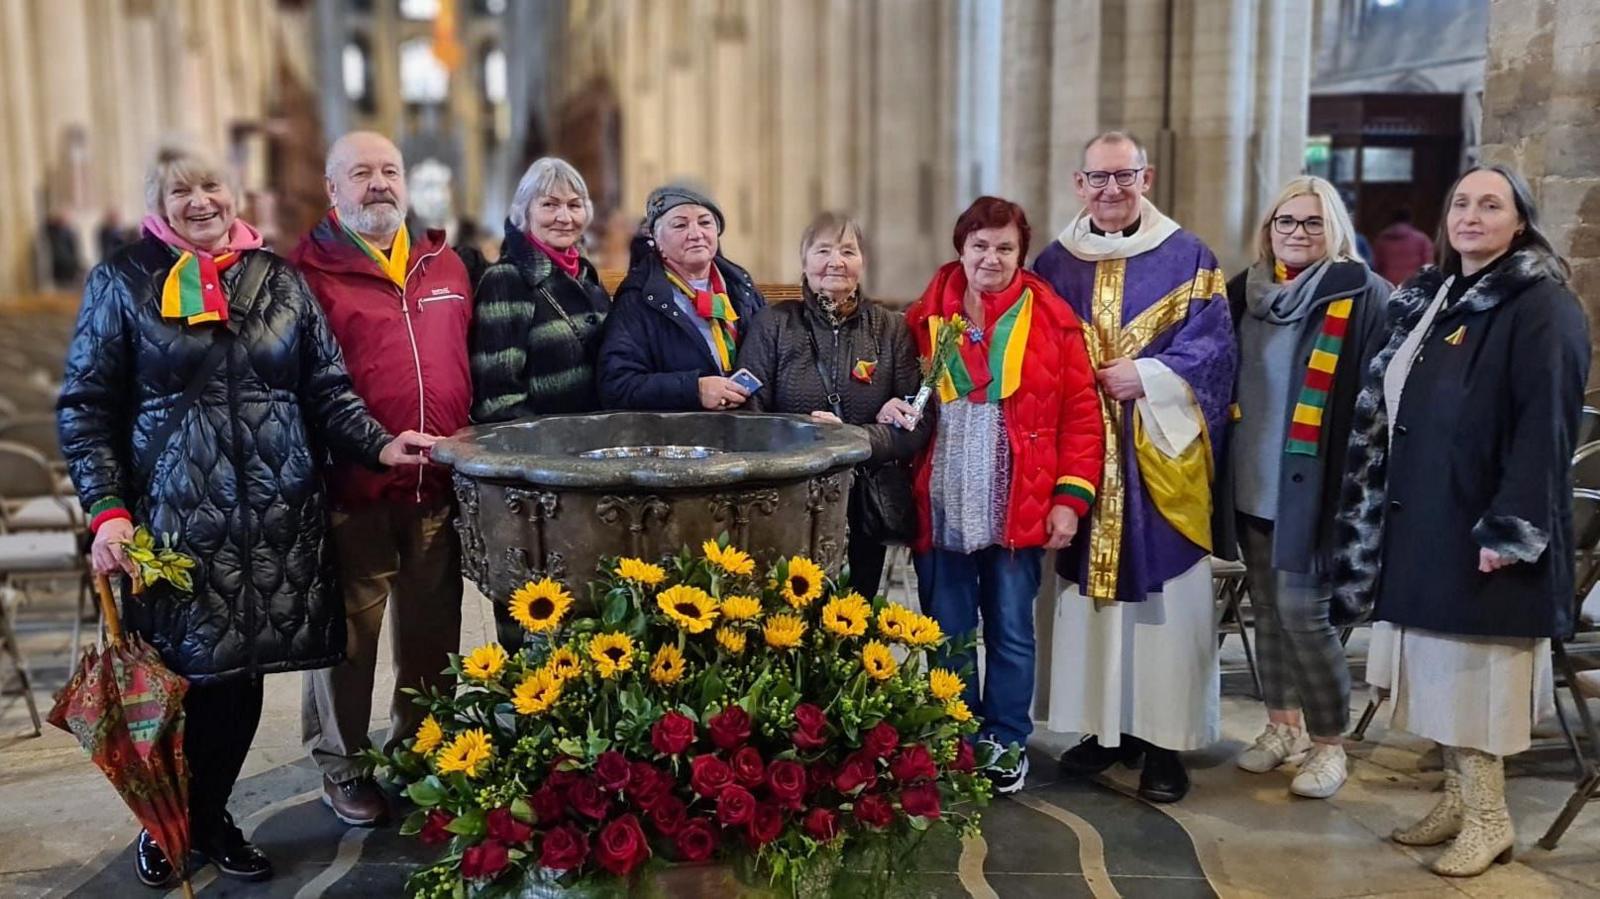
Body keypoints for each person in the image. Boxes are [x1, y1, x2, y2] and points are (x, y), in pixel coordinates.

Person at [56, 144, 436, 889]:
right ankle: (168, 822)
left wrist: (380, 443)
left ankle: (211, 814)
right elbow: (87, 408)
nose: (201, 201)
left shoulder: (276, 280)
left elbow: (326, 390)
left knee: (244, 679)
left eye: (213, 187)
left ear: (238, 196)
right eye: (181, 190)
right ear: (157, 203)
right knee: (185, 682)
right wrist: (107, 512)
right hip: (175, 527)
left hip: (275, 523)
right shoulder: (123, 281)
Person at [1333, 164, 1589, 876]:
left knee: (1476, 677)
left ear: (1521, 221)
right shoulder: (1437, 295)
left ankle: (1488, 816)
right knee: (1436, 669)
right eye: (1462, 203)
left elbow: (1548, 426)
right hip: (1424, 518)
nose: (1471, 215)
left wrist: (1511, 526)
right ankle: (1454, 797)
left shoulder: (1542, 305)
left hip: (1485, 527)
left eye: (1491, 205)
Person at [1035, 131, 1238, 804]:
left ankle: (1163, 742)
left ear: (1146, 177)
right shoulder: (1054, 263)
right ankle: (1103, 728)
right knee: (1088, 604)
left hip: (1161, 458)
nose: (1112, 190)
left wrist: (1148, 374)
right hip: (1083, 459)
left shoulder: (1190, 257)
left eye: (1125, 177)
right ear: (1078, 182)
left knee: (1163, 606)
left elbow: (1215, 355)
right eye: (1099, 178)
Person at [291, 132, 473, 829]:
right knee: (347, 642)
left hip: (437, 489)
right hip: (352, 489)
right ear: (331, 189)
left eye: (389, 171)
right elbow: (301, 386)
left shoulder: (445, 263)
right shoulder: (305, 272)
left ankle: (419, 753)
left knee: (433, 639)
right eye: (360, 173)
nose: (379, 184)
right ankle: (342, 765)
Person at [905, 196, 1104, 794]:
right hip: (942, 503)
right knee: (948, 628)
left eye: (1005, 247)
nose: (991, 258)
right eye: (980, 246)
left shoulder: (1053, 321)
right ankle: (952, 734)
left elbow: (1081, 416)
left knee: (1013, 629)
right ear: (961, 248)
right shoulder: (924, 316)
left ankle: (1005, 740)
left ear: (1022, 252)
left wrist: (1070, 499)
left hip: (1018, 502)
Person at [1215, 176, 1391, 799]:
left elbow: (1379, 405)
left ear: (1334, 228)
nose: (1297, 233)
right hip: (1253, 479)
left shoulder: (1363, 295)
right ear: (1268, 230)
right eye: (1285, 222)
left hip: (1317, 487)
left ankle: (1329, 744)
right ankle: (1280, 727)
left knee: (1303, 614)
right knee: (1265, 611)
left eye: (1312, 223)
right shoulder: (1246, 291)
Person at [735, 212, 931, 598]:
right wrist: (805, 433)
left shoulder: (890, 329)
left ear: (863, 262)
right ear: (804, 261)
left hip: (863, 502)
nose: (835, 261)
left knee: (852, 617)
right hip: (788, 501)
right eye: (822, 250)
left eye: (847, 250)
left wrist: (853, 437)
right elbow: (746, 416)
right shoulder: (773, 325)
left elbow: (916, 423)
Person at [470, 157, 610, 645]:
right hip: (537, 482)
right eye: (549, 204)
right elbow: (498, 397)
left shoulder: (585, 276)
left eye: (574, 204)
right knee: (536, 614)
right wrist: (544, 468)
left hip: (587, 469)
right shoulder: (507, 279)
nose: (564, 216)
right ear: (522, 212)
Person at [597, 186, 766, 411]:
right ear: (657, 240)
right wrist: (693, 390)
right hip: (676, 437)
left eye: (705, 223)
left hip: (744, 429)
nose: (696, 234)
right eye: (680, 225)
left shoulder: (740, 286)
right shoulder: (638, 298)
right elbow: (616, 386)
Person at [1373, 208, 1434, 288]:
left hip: (1388, 285)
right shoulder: (1421, 239)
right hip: (1412, 285)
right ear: (1410, 220)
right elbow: (1428, 265)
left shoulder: (1382, 239)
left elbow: (1377, 265)